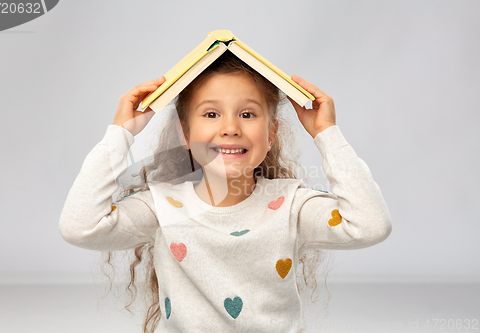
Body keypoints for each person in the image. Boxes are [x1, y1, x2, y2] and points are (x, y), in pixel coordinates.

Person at [59, 52, 392, 333]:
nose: (230, 127)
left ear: (271, 133)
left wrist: (327, 134)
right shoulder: (161, 207)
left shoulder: (293, 205)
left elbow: (370, 225)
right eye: (211, 114)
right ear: (186, 134)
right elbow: (80, 226)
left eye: (247, 114)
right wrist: (120, 134)